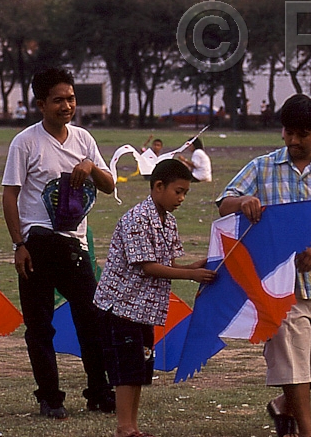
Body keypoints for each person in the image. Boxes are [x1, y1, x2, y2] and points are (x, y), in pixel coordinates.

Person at [217, 94, 311, 437]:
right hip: (280, 285)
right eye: (288, 134)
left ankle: (284, 407)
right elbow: (224, 202)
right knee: (291, 360)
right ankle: (306, 431)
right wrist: (243, 202)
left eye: (302, 134)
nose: (294, 141)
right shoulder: (262, 167)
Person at [2, 67, 117, 419]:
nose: (66, 105)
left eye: (70, 98)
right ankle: (50, 398)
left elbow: (109, 185)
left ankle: (99, 392)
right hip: (37, 244)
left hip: (74, 246)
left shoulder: (83, 139)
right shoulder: (25, 142)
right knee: (40, 326)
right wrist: (18, 245)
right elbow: (10, 196)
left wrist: (88, 165)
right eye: (58, 100)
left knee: (92, 319)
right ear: (41, 104)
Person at [94, 159, 215, 437]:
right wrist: (190, 276)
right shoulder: (137, 219)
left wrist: (195, 266)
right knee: (126, 371)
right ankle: (125, 428)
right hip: (121, 308)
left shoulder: (167, 221)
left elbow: (168, 262)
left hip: (143, 311)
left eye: (185, 193)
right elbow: (148, 266)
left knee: (138, 368)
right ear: (158, 186)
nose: (182, 198)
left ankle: (132, 426)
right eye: (178, 191)